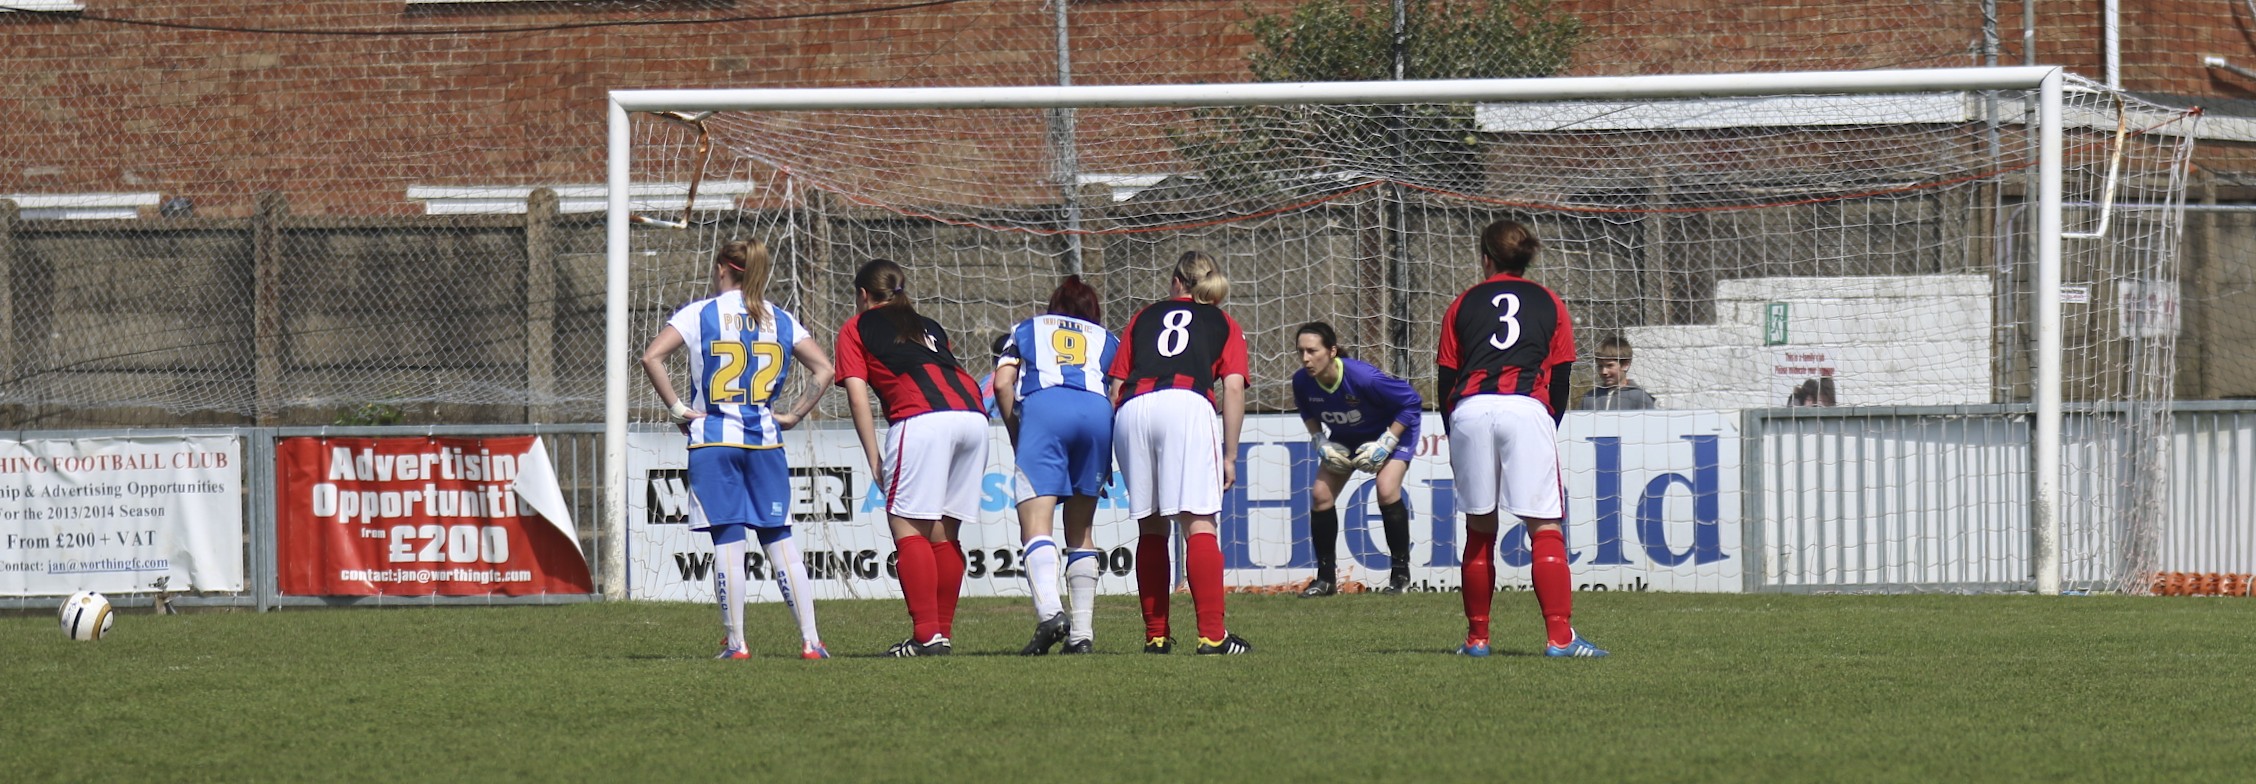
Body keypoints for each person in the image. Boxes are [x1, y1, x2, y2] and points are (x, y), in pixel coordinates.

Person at [638, 238, 833, 661]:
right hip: (764, 439)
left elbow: (651, 357)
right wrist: (796, 414)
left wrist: (676, 409)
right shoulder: (780, 319)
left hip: (713, 438)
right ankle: (811, 641)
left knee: (728, 537)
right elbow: (825, 368)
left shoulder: (701, 313)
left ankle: (737, 643)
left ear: (723, 268)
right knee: (778, 536)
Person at [1437, 219, 1607, 658]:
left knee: (1479, 530)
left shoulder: (1462, 303)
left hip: (1470, 411)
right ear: (1527, 258)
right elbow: (1564, 375)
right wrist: (1548, 424)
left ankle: (1477, 639)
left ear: (1486, 258)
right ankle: (1560, 638)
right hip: (1526, 408)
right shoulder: (1550, 302)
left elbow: (1446, 379)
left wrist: (1451, 431)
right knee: (1545, 528)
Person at [834, 258, 990, 657]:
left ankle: (926, 636)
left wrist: (873, 458)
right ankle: (941, 634)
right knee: (943, 533)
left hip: (922, 419)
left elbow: (857, 395)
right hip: (973, 417)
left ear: (863, 295)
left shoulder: (856, 327)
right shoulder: (929, 326)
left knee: (906, 526)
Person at [1108, 251, 1253, 655]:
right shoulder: (1224, 321)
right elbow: (1235, 388)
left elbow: (1116, 388)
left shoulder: (1143, 316)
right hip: (1186, 405)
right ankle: (1212, 636)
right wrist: (1230, 454)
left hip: (1134, 409)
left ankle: (1156, 636)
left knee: (1151, 527)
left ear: (1176, 281)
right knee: (1199, 524)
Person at [993, 275, 1119, 655]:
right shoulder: (1108, 339)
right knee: (1081, 529)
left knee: (1036, 524)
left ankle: (1051, 614)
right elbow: (1117, 390)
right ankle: (1082, 635)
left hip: (1046, 409)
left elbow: (1002, 384)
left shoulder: (1027, 328)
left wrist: (1017, 432)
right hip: (1098, 414)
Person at [1288, 321, 1423, 597]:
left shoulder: (1364, 378)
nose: (1305, 359)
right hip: (1347, 436)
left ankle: (1400, 578)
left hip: (1393, 431)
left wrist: (1387, 442)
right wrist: (1320, 440)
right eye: (1301, 351)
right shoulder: (1302, 381)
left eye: (1312, 351)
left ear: (1332, 351)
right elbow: (1306, 411)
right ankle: (1326, 581)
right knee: (1320, 495)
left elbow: (1411, 402)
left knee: (1386, 490)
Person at [1577, 334, 1658, 410]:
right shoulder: (1590, 398)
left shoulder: (1640, 398)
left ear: (1625, 365)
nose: (1604, 372)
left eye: (1610, 366)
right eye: (1600, 366)